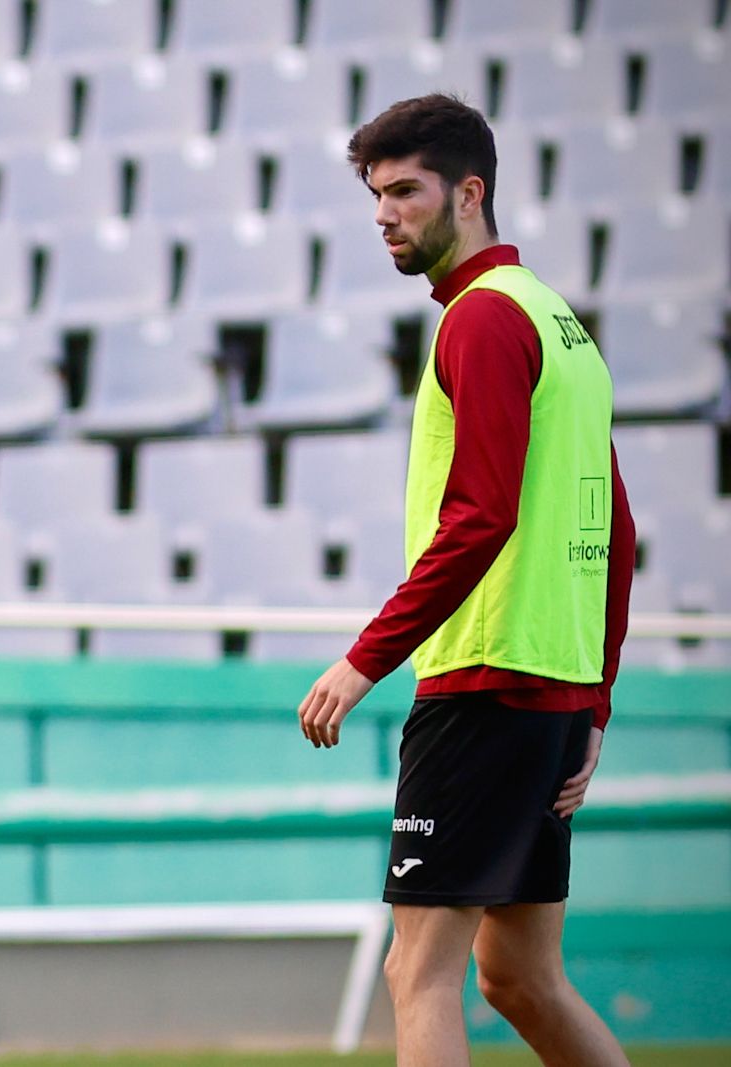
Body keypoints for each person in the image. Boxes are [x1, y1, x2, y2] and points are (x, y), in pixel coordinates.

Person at [296, 94, 636, 1067]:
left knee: (420, 971)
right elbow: (618, 531)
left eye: (406, 191)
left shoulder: (480, 323)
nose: (385, 215)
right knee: (518, 976)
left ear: (469, 192)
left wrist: (363, 662)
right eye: (376, 197)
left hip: (483, 686)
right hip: (551, 694)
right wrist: (596, 702)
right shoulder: (558, 323)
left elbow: (478, 516)